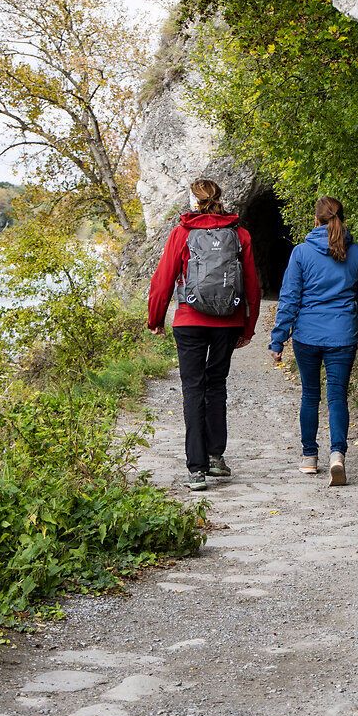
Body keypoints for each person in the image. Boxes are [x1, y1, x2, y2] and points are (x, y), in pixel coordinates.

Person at [148, 178, 262, 491]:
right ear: (219, 199)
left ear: (192, 201)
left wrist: (155, 318)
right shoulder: (240, 234)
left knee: (193, 389)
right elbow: (252, 284)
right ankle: (215, 457)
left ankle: (195, 470)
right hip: (228, 322)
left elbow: (163, 280)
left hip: (189, 322)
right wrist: (248, 327)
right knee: (216, 385)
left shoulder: (182, 234)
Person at [270, 196, 358, 486]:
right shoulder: (357, 254)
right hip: (342, 335)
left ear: (316, 220)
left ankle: (308, 458)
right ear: (343, 218)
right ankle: (337, 455)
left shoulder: (301, 253)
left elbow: (290, 298)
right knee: (337, 395)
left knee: (310, 395)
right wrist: (357, 332)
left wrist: (278, 340)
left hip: (307, 336)